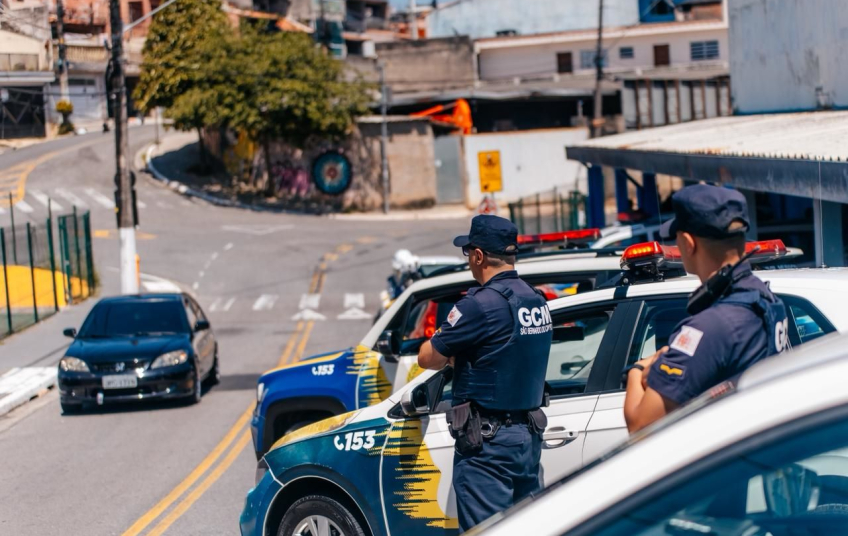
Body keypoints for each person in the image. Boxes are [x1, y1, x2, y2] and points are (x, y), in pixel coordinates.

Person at [417, 214, 553, 532]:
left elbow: (427, 357)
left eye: (468, 254)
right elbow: (510, 353)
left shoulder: (479, 305)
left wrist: (454, 359)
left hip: (488, 448)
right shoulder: (535, 300)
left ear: (478, 256)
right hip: (527, 440)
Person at [624, 184, 789, 433]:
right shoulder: (764, 297)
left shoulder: (710, 327)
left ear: (688, 243)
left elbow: (639, 425)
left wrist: (639, 369)